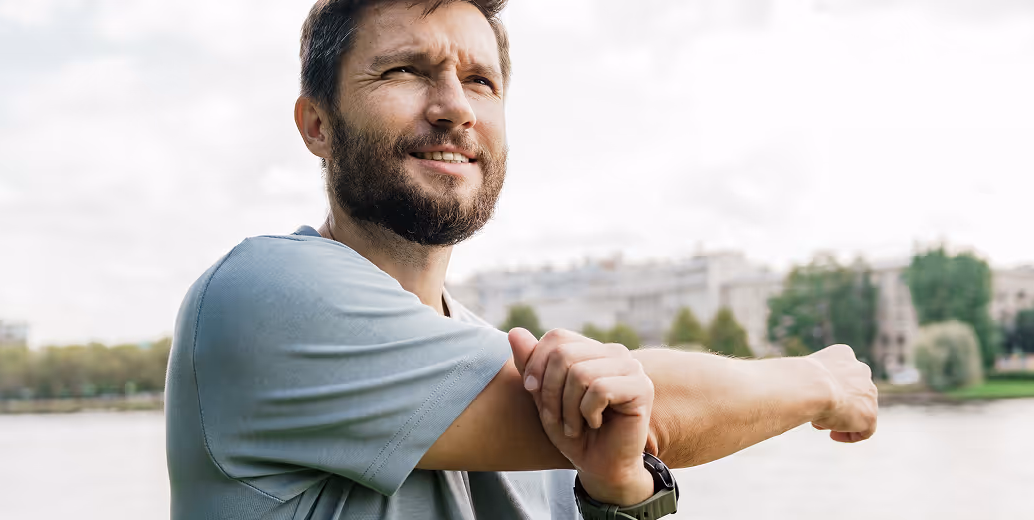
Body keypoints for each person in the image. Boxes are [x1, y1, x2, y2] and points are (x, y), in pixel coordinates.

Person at [164, 1, 879, 519]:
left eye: (480, 81)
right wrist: (820, 381)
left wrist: (622, 491)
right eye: (407, 70)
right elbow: (648, 406)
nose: (453, 108)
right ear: (317, 124)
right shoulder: (259, 297)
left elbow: (623, 432)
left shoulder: (499, 353)